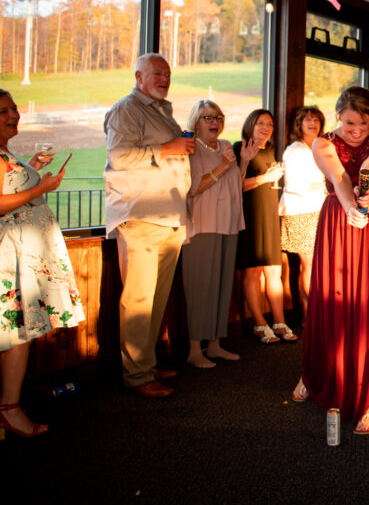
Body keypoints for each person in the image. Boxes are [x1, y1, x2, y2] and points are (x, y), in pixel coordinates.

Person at [295, 87, 369, 435]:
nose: (357, 130)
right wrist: (351, 206)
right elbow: (338, 176)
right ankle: (316, 374)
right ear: (337, 117)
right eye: (349, 123)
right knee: (335, 300)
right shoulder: (323, 143)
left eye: (363, 123)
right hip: (340, 223)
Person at [104, 53, 193, 398]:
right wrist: (168, 147)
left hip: (170, 217)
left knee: (156, 298)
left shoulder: (163, 111)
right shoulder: (126, 109)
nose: (164, 79)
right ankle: (138, 375)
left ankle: (147, 365)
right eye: (157, 73)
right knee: (139, 299)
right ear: (138, 76)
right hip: (140, 215)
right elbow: (119, 156)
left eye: (168, 74)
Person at [0, 89, 83, 437]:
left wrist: (31, 169)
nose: (13, 114)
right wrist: (39, 188)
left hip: (25, 252)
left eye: (14, 108)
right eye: (3, 111)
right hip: (10, 256)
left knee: (20, 332)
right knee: (17, 332)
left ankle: (9, 406)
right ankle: (9, 409)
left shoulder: (7, 154)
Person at [181, 100, 253, 369]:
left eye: (218, 117)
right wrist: (223, 167)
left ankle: (214, 344)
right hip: (202, 223)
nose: (214, 122)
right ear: (195, 122)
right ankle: (194, 349)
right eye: (207, 118)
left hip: (228, 223)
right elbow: (192, 189)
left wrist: (243, 162)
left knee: (222, 286)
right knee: (201, 286)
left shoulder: (225, 146)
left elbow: (235, 182)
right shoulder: (190, 149)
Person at [234, 110, 291, 344]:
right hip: (250, 215)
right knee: (253, 272)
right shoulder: (241, 148)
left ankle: (279, 321)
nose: (265, 128)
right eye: (260, 123)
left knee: (273, 271)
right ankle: (259, 323)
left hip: (270, 215)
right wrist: (264, 179)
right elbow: (235, 186)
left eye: (269, 124)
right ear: (250, 125)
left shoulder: (272, 151)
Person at [280, 105, 327, 317]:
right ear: (299, 125)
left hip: (317, 210)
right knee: (308, 263)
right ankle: (311, 313)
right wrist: (328, 185)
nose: (312, 124)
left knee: (312, 264)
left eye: (316, 120)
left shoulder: (318, 147)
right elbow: (295, 186)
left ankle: (310, 313)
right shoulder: (295, 150)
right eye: (307, 120)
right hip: (300, 212)